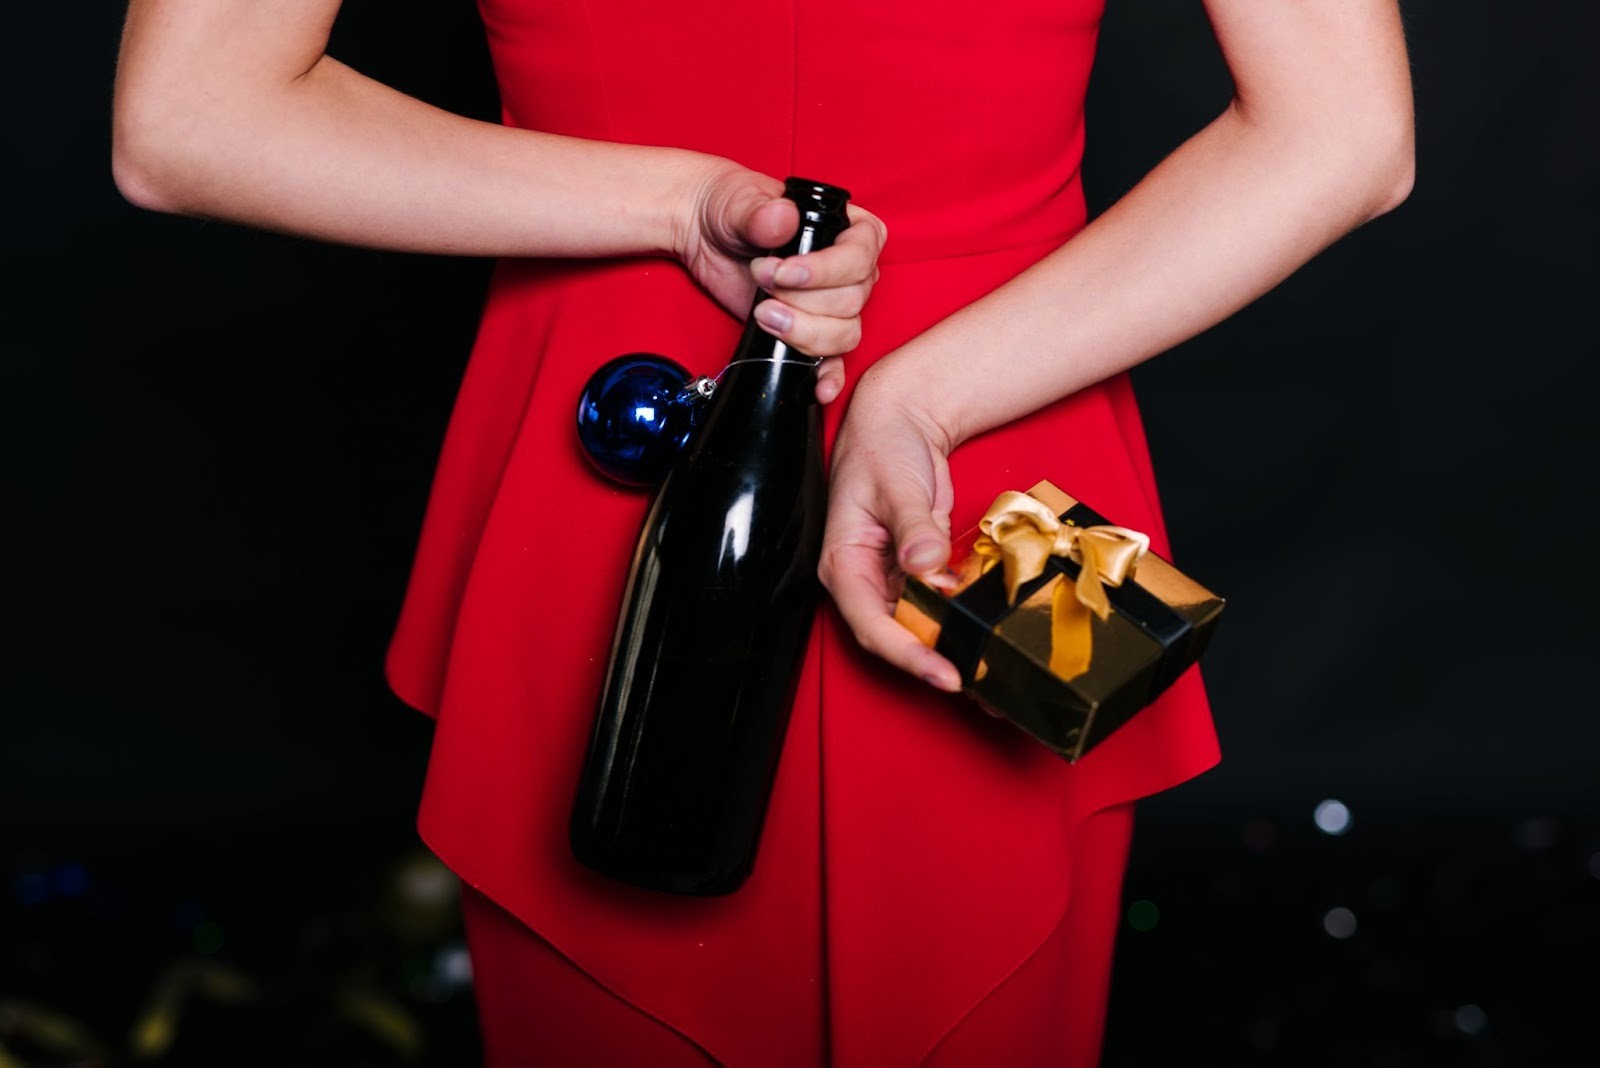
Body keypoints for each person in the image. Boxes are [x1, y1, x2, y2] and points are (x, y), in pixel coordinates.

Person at [111, 1, 1413, 1064]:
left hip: (679, 455)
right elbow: (1343, 130)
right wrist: (917, 391)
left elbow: (192, 111)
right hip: (980, 464)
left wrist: (697, 220)